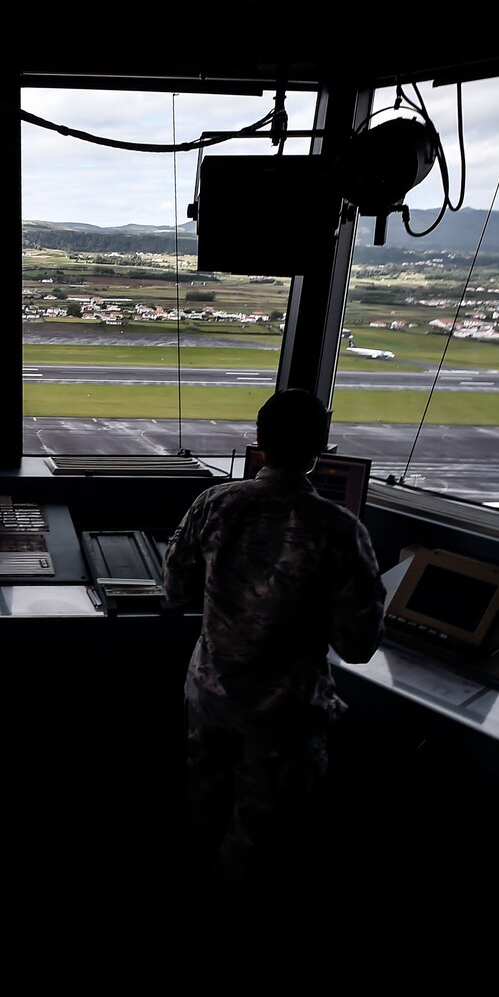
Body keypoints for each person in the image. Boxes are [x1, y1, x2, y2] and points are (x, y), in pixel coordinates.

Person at [164, 388, 386, 917]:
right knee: (258, 844)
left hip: (210, 697)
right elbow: (358, 647)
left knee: (199, 809)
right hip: (283, 717)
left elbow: (174, 589)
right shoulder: (341, 531)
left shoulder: (214, 503)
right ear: (320, 447)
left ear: (258, 442)